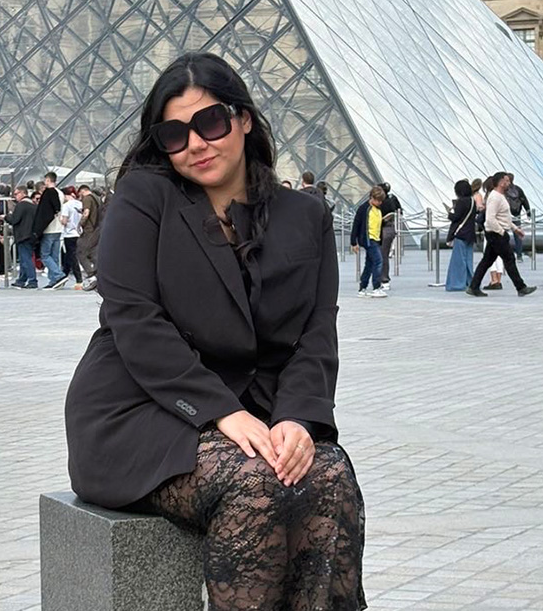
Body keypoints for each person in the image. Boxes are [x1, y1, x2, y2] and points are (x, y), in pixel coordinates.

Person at [66, 53, 364, 610]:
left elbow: (316, 333)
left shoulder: (306, 216)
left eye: (210, 123)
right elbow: (135, 319)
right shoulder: (143, 198)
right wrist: (221, 412)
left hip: (257, 415)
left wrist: (299, 418)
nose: (196, 144)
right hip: (139, 414)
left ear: (243, 118)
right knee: (255, 482)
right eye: (174, 134)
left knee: (329, 474)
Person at [467, 173, 537, 298]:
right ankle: (521, 287)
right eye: (507, 181)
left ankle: (474, 286)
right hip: (496, 234)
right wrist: (501, 232)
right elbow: (490, 219)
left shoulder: (500, 196)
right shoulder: (495, 197)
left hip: (496, 233)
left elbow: (504, 217)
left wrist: (515, 229)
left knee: (487, 261)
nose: (509, 183)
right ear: (500, 183)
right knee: (509, 259)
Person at [350, 186, 388, 298]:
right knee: (378, 261)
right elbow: (356, 224)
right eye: (378, 200)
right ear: (372, 198)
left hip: (376, 239)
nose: (380, 203)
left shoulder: (378, 209)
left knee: (369, 264)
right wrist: (353, 242)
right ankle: (376, 287)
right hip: (369, 239)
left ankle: (363, 287)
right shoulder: (364, 209)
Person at [32, 172, 66, 289]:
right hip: (58, 228)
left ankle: (58, 275)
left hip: (49, 228)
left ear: (47, 180)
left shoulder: (49, 193)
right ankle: (54, 280)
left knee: (45, 255)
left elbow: (45, 211)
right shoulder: (60, 193)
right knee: (54, 256)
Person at [444, 179, 477, 292]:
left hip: (461, 234)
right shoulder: (472, 201)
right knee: (468, 260)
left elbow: (456, 217)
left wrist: (449, 214)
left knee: (459, 260)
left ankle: (457, 283)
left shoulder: (461, 202)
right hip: (470, 233)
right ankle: (470, 281)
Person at [6, 186, 38, 289]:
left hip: (22, 235)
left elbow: (14, 220)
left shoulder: (21, 205)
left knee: (26, 259)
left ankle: (32, 280)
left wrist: (6, 216)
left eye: (16, 194)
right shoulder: (33, 205)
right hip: (31, 235)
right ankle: (21, 280)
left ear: (23, 193)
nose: (15, 196)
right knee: (25, 258)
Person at [377, 182, 401, 288]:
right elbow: (399, 211)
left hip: (381, 229)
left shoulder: (379, 202)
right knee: (384, 255)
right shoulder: (392, 199)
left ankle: (382, 279)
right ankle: (383, 278)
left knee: (380, 255)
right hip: (389, 229)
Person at [77, 185, 101, 291]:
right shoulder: (97, 198)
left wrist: (80, 224)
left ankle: (92, 275)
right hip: (96, 230)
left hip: (89, 230)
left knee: (81, 252)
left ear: (83, 191)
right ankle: (98, 273)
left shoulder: (87, 199)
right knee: (92, 253)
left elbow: (86, 213)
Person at [59, 187, 83, 290]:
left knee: (72, 256)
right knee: (69, 256)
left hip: (69, 233)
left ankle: (79, 279)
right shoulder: (80, 204)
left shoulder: (66, 205)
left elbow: (64, 221)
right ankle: (63, 275)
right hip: (79, 232)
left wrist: (59, 219)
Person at [504, 174, 531, 261]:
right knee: (518, 235)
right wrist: (528, 212)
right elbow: (524, 201)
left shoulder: (503, 190)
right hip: (517, 215)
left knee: (503, 234)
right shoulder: (518, 189)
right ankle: (519, 255)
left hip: (506, 215)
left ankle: (505, 254)